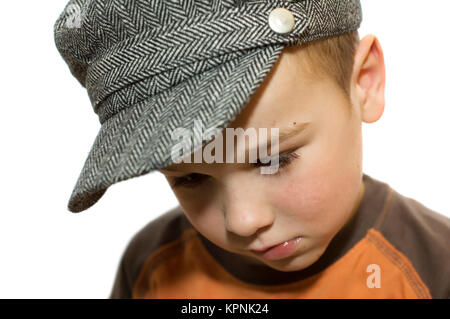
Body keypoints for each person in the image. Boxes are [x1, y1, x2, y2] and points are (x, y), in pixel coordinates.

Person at [54, 0, 450, 298]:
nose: (243, 221)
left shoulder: (434, 268)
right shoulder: (152, 269)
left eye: (274, 159)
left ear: (364, 82)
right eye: (190, 177)